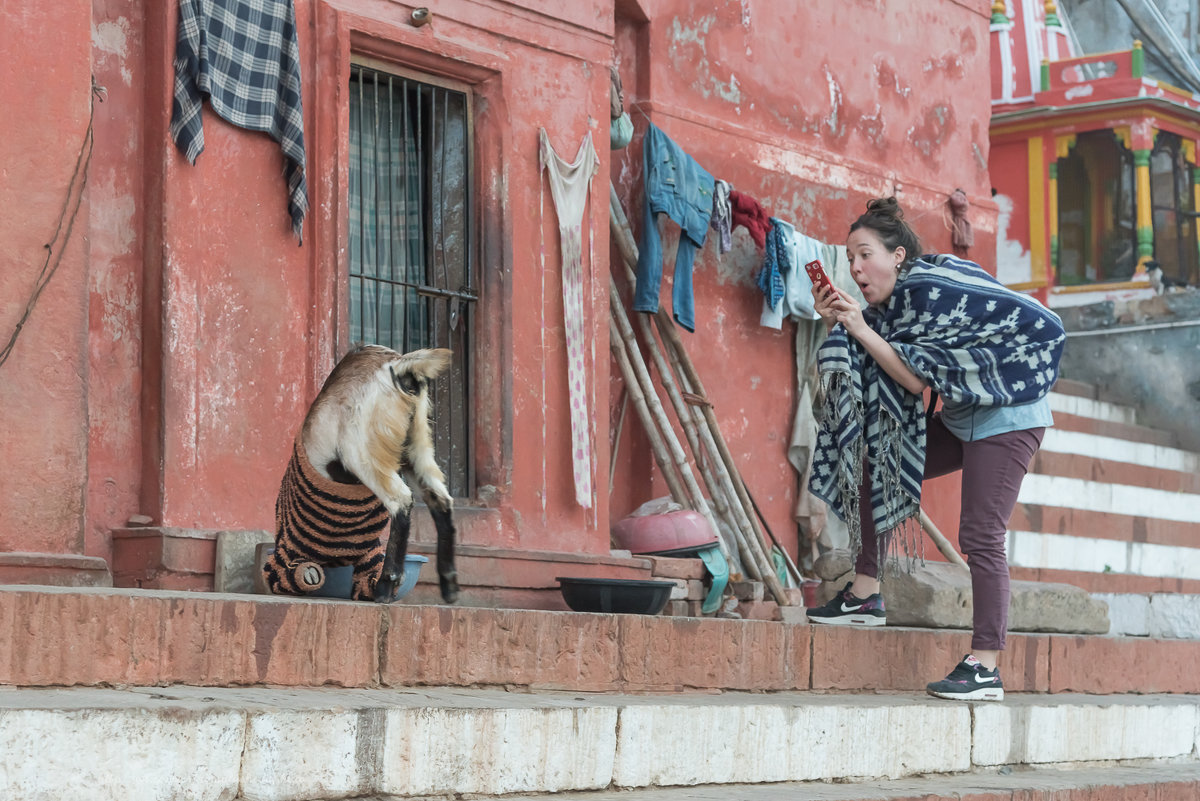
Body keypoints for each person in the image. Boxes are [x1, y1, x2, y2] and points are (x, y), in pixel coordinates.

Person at [803, 197, 1065, 702]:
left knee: (981, 534)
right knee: (874, 463)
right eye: (850, 259)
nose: (855, 268)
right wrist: (840, 320)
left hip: (1010, 415)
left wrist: (857, 325)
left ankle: (985, 667)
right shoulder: (891, 309)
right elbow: (873, 357)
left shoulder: (927, 291)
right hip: (966, 414)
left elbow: (913, 376)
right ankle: (865, 595)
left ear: (898, 256)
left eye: (865, 255)